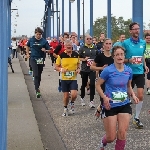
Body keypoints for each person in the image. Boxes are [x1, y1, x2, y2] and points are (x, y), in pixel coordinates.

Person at [96, 46, 139, 150]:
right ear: (113, 56)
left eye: (122, 54)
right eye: (117, 54)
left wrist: (133, 95)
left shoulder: (128, 70)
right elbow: (98, 85)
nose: (120, 56)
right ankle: (102, 143)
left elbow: (128, 86)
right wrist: (104, 98)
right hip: (110, 105)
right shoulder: (108, 70)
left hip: (124, 104)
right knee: (111, 137)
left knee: (122, 133)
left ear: (124, 56)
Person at [122, 22, 149, 128]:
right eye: (135, 29)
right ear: (130, 31)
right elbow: (120, 58)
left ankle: (136, 118)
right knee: (126, 96)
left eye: (138, 28)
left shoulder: (143, 43)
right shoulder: (125, 43)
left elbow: (142, 56)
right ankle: (122, 115)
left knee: (141, 95)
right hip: (128, 72)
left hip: (139, 73)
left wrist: (145, 65)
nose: (137, 30)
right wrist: (129, 60)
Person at [55, 39, 80, 116]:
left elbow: (78, 64)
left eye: (70, 47)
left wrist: (78, 69)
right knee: (66, 96)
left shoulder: (76, 54)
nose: (69, 48)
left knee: (74, 94)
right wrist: (61, 69)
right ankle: (65, 108)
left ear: (72, 46)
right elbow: (56, 67)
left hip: (73, 78)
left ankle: (72, 103)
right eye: (67, 47)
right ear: (65, 46)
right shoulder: (61, 55)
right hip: (64, 78)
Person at [90, 38, 114, 119]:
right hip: (102, 82)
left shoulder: (114, 57)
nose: (108, 45)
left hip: (112, 82)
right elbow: (92, 67)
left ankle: (100, 109)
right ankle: (105, 118)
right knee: (104, 100)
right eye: (106, 43)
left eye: (110, 44)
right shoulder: (100, 56)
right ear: (103, 45)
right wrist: (101, 68)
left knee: (110, 100)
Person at [26, 27, 50, 98]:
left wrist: (45, 50)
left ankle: (37, 86)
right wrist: (27, 53)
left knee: (39, 75)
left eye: (40, 34)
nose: (38, 35)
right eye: (37, 34)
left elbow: (49, 50)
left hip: (41, 59)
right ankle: (37, 90)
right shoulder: (31, 40)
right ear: (35, 33)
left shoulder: (44, 41)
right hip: (33, 58)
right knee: (36, 74)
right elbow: (27, 46)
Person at [79, 35, 98, 108]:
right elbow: (78, 57)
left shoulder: (95, 47)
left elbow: (97, 56)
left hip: (92, 69)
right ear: (85, 40)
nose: (89, 40)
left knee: (92, 84)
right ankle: (82, 98)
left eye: (90, 39)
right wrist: (84, 59)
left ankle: (91, 101)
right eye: (88, 39)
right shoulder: (82, 48)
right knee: (84, 84)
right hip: (84, 69)